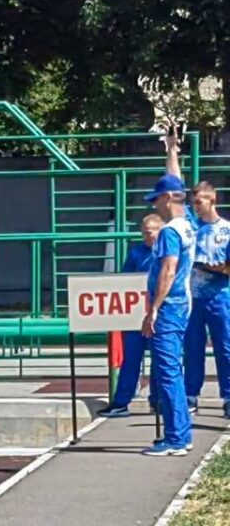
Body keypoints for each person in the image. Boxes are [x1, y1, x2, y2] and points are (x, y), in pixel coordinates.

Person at [140, 168, 197, 456]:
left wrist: (153, 309)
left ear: (166, 198)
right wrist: (172, 150)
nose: (154, 207)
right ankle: (180, 434)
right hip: (182, 304)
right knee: (171, 369)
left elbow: (168, 270)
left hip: (170, 307)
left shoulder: (169, 232)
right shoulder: (187, 223)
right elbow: (177, 181)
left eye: (156, 201)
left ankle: (177, 437)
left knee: (167, 371)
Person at [97, 213, 163, 417]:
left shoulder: (167, 252)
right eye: (143, 233)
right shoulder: (136, 254)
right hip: (136, 315)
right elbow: (126, 281)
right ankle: (121, 402)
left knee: (160, 360)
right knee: (131, 359)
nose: (146, 237)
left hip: (160, 313)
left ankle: (158, 400)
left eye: (149, 233)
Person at [182, 182, 230, 418]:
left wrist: (216, 269)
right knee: (192, 348)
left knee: (225, 348)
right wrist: (171, 152)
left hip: (220, 297)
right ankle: (191, 395)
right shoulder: (191, 227)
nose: (196, 206)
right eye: (194, 202)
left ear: (213, 200)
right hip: (193, 298)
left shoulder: (227, 230)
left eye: (199, 201)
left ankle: (228, 397)